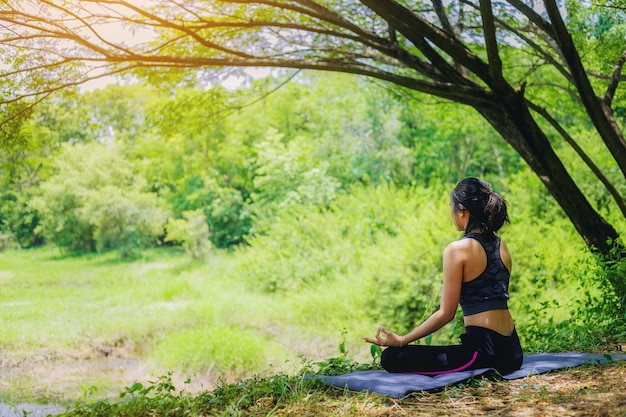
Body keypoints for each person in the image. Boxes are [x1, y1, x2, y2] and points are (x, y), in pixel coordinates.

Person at [364, 177, 523, 375]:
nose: (451, 212)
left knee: (392, 357)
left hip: (485, 354)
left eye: (451, 206)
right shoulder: (502, 246)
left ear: (462, 210)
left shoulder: (457, 250)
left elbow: (446, 313)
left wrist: (403, 339)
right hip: (514, 353)